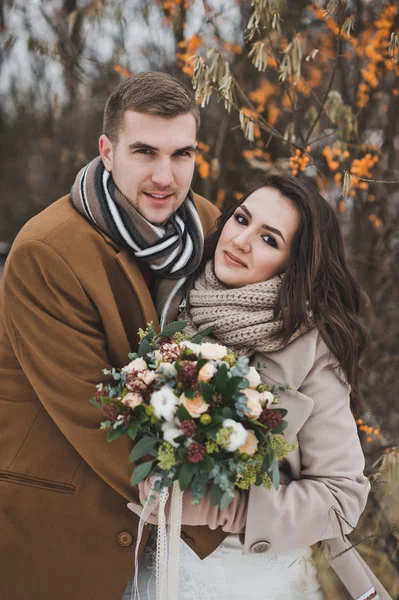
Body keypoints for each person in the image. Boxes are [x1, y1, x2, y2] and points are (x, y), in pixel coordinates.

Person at [0, 72, 229, 600]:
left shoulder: (212, 229)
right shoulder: (47, 250)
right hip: (67, 522)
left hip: (168, 523)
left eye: (181, 155)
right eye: (145, 151)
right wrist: (216, 513)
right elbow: (94, 411)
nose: (164, 177)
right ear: (107, 150)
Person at [129, 175, 392, 600]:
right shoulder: (176, 301)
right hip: (160, 566)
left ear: (293, 263)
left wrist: (228, 508)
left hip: (251, 578)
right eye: (241, 219)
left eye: (269, 239)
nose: (241, 240)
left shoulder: (310, 346)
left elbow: (342, 497)